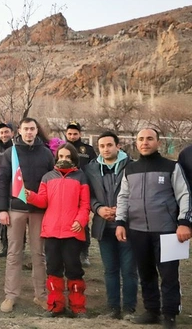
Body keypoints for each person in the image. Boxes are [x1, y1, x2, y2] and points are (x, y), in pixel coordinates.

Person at [116, 128, 191, 328]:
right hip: (138, 231)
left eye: (150, 139)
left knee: (169, 275)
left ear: (158, 142)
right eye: (141, 139)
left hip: (168, 231)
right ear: (136, 142)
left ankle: (169, 314)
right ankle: (152, 311)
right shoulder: (130, 169)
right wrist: (120, 222)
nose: (145, 142)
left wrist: (184, 222)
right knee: (146, 273)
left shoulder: (172, 167)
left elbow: (184, 195)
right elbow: (123, 197)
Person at [0, 117, 55, 313]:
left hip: (39, 210)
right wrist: (2, 209)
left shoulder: (47, 153)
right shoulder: (9, 153)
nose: (29, 132)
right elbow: (3, 182)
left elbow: (52, 183)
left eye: (32, 129)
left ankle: (41, 295)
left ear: (36, 131)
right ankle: (10, 295)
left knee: (39, 254)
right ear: (19, 131)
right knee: (14, 253)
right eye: (26, 129)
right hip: (16, 209)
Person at [26, 143, 91, 318]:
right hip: (52, 230)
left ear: (74, 158)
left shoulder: (81, 177)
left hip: (72, 231)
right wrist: (30, 196)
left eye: (68, 157)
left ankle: (78, 307)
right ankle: (55, 305)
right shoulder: (47, 177)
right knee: (53, 269)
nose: (64, 159)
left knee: (74, 269)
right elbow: (43, 201)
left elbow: (85, 205)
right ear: (56, 158)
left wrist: (80, 220)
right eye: (61, 156)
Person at [84, 131, 137, 320]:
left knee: (129, 269)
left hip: (127, 226)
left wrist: (121, 210)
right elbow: (87, 195)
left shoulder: (132, 167)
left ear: (118, 146)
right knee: (110, 270)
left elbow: (138, 194)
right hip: (103, 226)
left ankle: (130, 308)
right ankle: (113, 308)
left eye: (109, 145)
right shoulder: (91, 168)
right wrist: (98, 209)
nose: (106, 149)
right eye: (102, 146)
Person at [65, 121, 96, 267]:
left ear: (80, 134)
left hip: (83, 190)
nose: (72, 136)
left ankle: (84, 253)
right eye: (69, 133)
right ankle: (66, 253)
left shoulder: (87, 150)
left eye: (75, 134)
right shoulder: (61, 148)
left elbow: (95, 169)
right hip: (64, 191)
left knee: (83, 223)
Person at [0, 122, 14, 258]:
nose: (4, 135)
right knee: (1, 215)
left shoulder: (16, 148)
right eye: (1, 133)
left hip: (12, 187)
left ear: (12, 133)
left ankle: (16, 245)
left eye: (6, 132)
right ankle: (4, 245)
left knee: (12, 218)